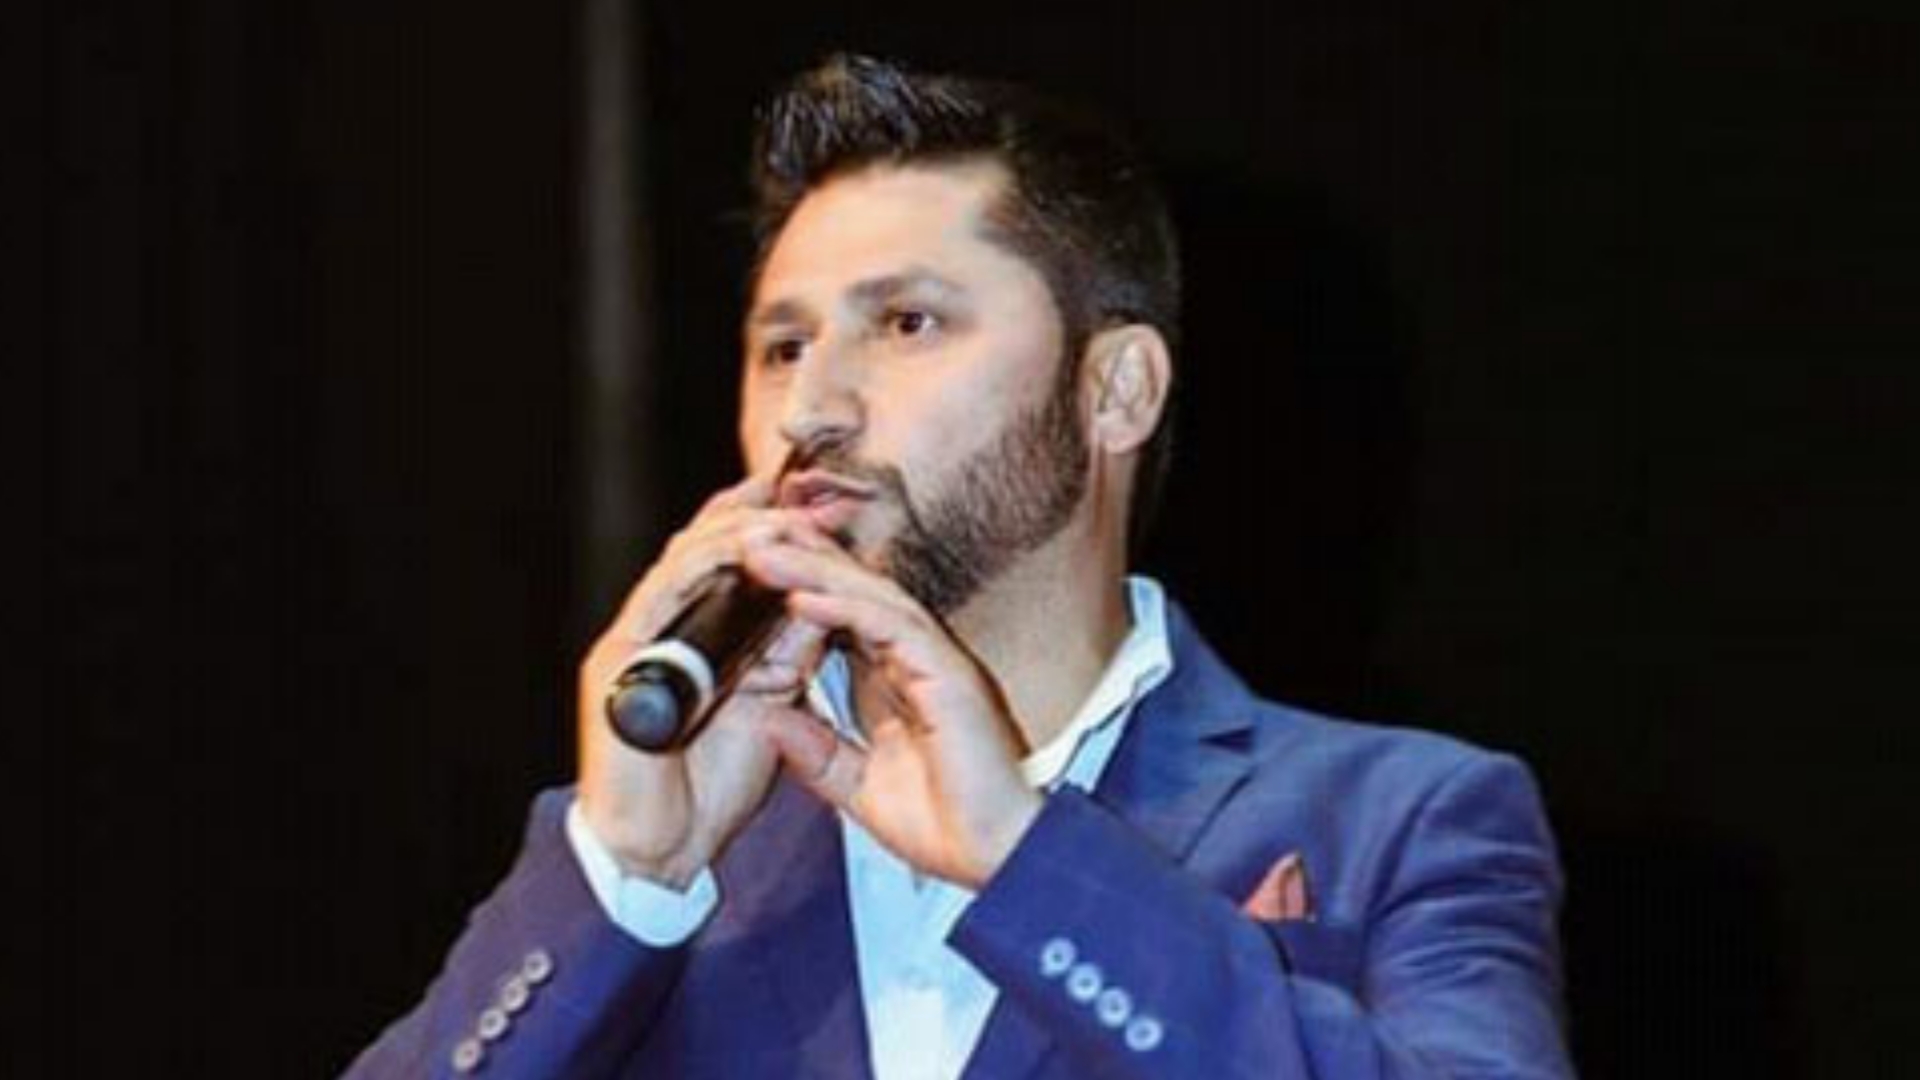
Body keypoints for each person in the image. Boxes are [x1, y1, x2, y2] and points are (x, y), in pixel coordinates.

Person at [346, 53, 1573, 1079]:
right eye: (782, 347)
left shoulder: (1405, 820)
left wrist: (1033, 862)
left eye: (907, 323)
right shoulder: (668, 836)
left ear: (1116, 388)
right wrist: (626, 875)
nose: (812, 408)